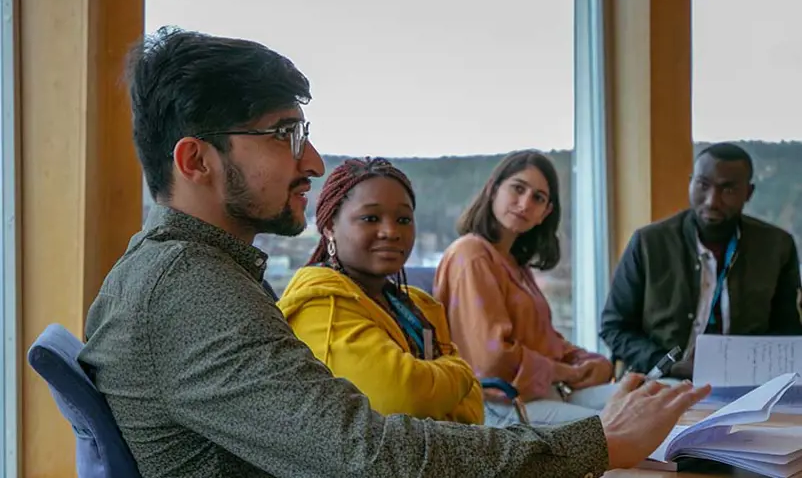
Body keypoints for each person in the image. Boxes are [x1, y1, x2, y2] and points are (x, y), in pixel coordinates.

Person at [78, 26, 711, 478]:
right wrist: (597, 444)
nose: (312, 162)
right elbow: (367, 454)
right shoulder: (190, 290)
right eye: (283, 134)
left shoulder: (184, 271)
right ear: (196, 160)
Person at [278, 158, 483, 423]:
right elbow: (404, 397)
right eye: (370, 218)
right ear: (330, 227)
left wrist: (438, 391)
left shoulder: (416, 305)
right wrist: (461, 372)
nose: (390, 231)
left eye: (403, 219)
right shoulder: (321, 303)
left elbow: (475, 410)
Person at [434, 150, 617, 426]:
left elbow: (544, 340)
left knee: (647, 401)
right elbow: (491, 359)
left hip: (540, 394)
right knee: (620, 425)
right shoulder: (471, 254)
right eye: (517, 189)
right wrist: (566, 373)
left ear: (546, 213)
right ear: (493, 189)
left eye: (538, 198)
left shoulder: (515, 264)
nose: (524, 203)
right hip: (495, 405)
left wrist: (591, 363)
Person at [600, 142, 802, 380]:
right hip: (662, 380)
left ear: (748, 193)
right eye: (702, 185)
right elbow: (614, 327)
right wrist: (669, 365)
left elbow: (786, 332)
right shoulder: (648, 243)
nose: (711, 201)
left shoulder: (776, 247)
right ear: (690, 182)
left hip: (744, 381)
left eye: (727, 190)